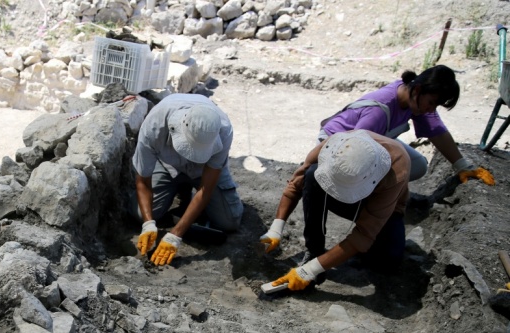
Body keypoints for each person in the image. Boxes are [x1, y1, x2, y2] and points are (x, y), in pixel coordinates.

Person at [265, 130, 410, 291]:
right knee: (312, 175)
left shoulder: (396, 170)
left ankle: (320, 263)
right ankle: (314, 251)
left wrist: (310, 271)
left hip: (383, 210)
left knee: (388, 261)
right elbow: (296, 184)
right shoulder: (336, 145)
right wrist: (275, 229)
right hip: (344, 194)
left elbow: (364, 233)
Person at [317, 65, 493, 185]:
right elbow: (355, 148)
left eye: (436, 105)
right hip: (337, 145)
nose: (431, 109)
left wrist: (462, 166)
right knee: (382, 169)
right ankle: (372, 199)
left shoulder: (414, 98)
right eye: (431, 103)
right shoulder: (380, 109)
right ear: (418, 90)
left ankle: (384, 193)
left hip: (370, 139)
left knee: (416, 165)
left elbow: (437, 132)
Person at [132, 93, 243, 266]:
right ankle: (179, 190)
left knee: (229, 222)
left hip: (204, 171)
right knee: (141, 213)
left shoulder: (223, 129)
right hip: (168, 166)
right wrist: (148, 224)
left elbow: (206, 188)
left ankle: (194, 203)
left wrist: (175, 235)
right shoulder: (154, 126)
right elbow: (142, 182)